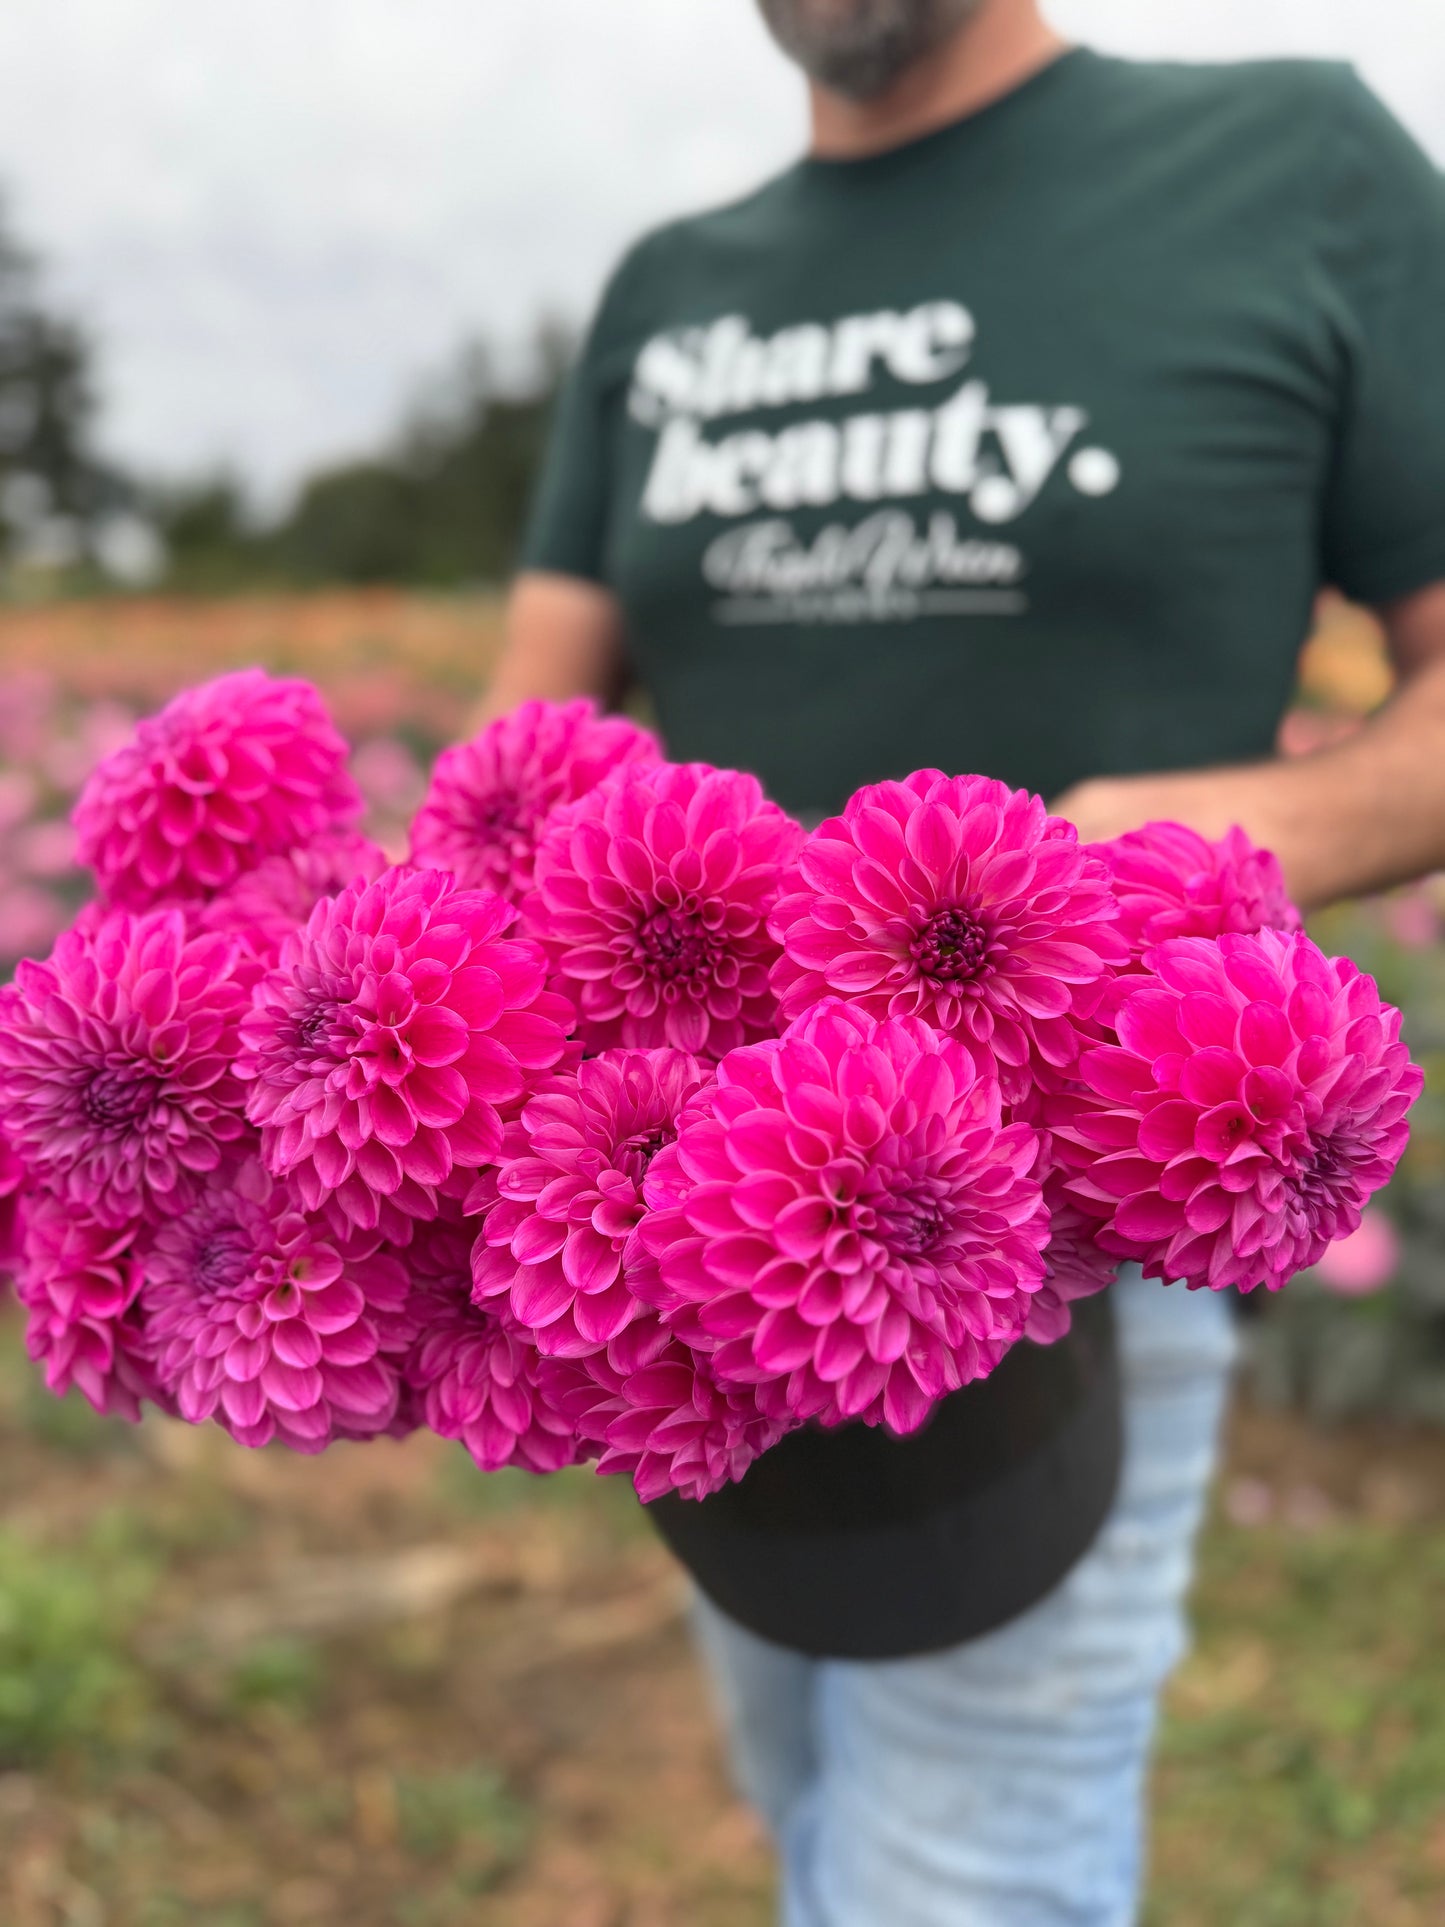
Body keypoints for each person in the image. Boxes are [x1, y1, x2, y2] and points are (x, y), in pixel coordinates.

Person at [482, 2, 1445, 1919]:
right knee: (800, 1773)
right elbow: (520, 766)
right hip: (693, 1236)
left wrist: (1155, 852)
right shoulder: (670, 293)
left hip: (1050, 1228)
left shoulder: (1295, 167)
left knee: (958, 1876)